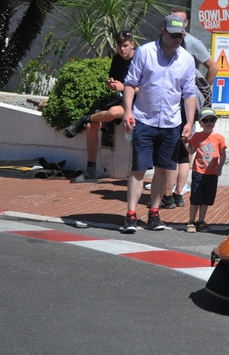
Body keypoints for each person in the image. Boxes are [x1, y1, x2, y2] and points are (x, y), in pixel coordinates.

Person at [121, 15, 197, 233]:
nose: (177, 39)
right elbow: (130, 82)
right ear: (162, 31)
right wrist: (127, 111)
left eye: (180, 35)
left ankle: (154, 212)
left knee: (162, 171)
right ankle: (131, 214)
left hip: (171, 123)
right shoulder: (145, 52)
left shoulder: (186, 59)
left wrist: (189, 122)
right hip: (144, 119)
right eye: (173, 35)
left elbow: (190, 92)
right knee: (138, 169)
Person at [161, 7, 219, 210]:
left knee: (179, 149)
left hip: (184, 104)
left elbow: (213, 67)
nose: (177, 25)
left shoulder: (192, 43)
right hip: (174, 102)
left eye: (181, 21)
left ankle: (173, 194)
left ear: (186, 23)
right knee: (180, 151)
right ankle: (174, 194)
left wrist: (201, 94)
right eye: (173, 20)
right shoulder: (169, 43)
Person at [63, 30, 137, 181]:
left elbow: (146, 87)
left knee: (112, 112)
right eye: (119, 46)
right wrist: (111, 84)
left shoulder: (141, 59)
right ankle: (90, 172)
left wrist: (123, 87)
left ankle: (84, 118)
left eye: (125, 46)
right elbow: (114, 81)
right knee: (92, 126)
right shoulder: (117, 59)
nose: (122, 49)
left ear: (132, 45)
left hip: (138, 101)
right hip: (121, 99)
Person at [183, 108, 226, 233]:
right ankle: (191, 221)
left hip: (212, 173)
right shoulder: (197, 136)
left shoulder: (219, 138)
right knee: (196, 198)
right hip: (198, 172)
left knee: (207, 199)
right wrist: (185, 143)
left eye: (212, 120)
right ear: (200, 123)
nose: (209, 123)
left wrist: (220, 166)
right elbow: (191, 150)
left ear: (215, 121)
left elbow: (223, 154)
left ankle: (201, 220)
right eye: (205, 120)